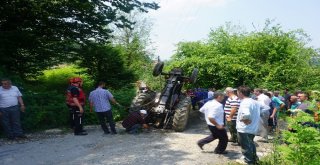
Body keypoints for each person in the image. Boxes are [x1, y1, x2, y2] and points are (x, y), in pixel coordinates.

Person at [236, 86, 260, 164]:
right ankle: (254, 159)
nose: (237, 94)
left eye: (237, 92)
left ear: (240, 93)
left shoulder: (245, 102)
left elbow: (246, 114)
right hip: (252, 128)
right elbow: (264, 108)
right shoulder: (254, 101)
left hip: (244, 129)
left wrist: (244, 119)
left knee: (246, 147)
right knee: (251, 144)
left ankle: (249, 162)